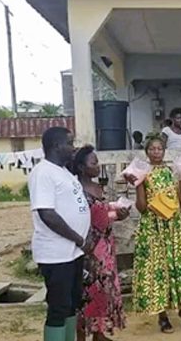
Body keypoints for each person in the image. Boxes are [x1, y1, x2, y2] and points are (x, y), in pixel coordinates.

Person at [125, 136, 181, 333]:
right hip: (153, 228)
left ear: (164, 151)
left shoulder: (171, 172)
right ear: (147, 151)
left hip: (174, 227)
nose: (156, 152)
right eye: (153, 149)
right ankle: (162, 316)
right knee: (159, 270)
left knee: (178, 267)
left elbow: (180, 204)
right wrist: (139, 185)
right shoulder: (143, 174)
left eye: (160, 148)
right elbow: (142, 208)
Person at [28, 127, 91, 341]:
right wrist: (78, 238)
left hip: (73, 252)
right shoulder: (43, 172)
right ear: (56, 146)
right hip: (56, 253)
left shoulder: (63, 171)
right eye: (70, 143)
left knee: (72, 303)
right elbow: (47, 213)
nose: (74, 148)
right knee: (58, 306)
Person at [71, 146, 127, 341]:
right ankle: (82, 334)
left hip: (105, 248)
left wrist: (116, 214)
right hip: (89, 249)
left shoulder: (97, 188)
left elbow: (102, 214)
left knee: (103, 288)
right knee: (88, 290)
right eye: (93, 163)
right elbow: (93, 218)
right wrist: (113, 215)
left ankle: (99, 332)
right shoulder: (76, 190)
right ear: (81, 167)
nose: (98, 166)